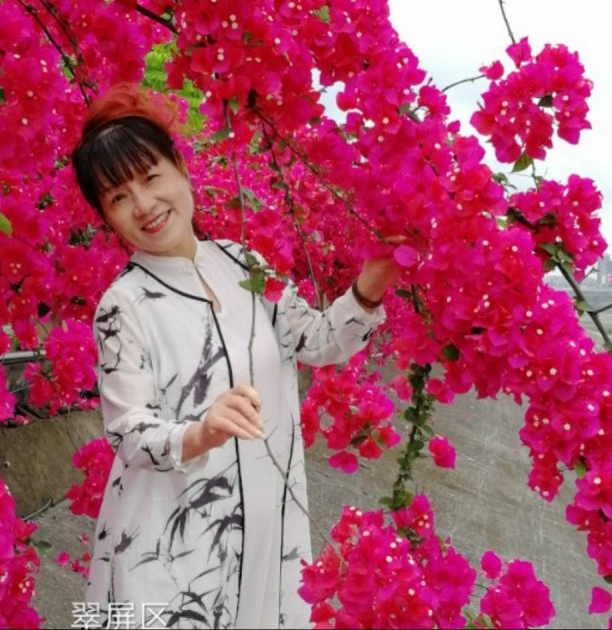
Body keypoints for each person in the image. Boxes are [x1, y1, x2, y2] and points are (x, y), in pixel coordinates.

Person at [71, 82, 400, 629]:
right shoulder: (123, 305)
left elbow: (316, 340)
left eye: (150, 178)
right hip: (169, 550)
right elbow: (128, 431)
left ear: (180, 168)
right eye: (118, 197)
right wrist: (200, 432)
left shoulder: (243, 263)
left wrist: (372, 285)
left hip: (264, 528)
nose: (143, 205)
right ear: (106, 216)